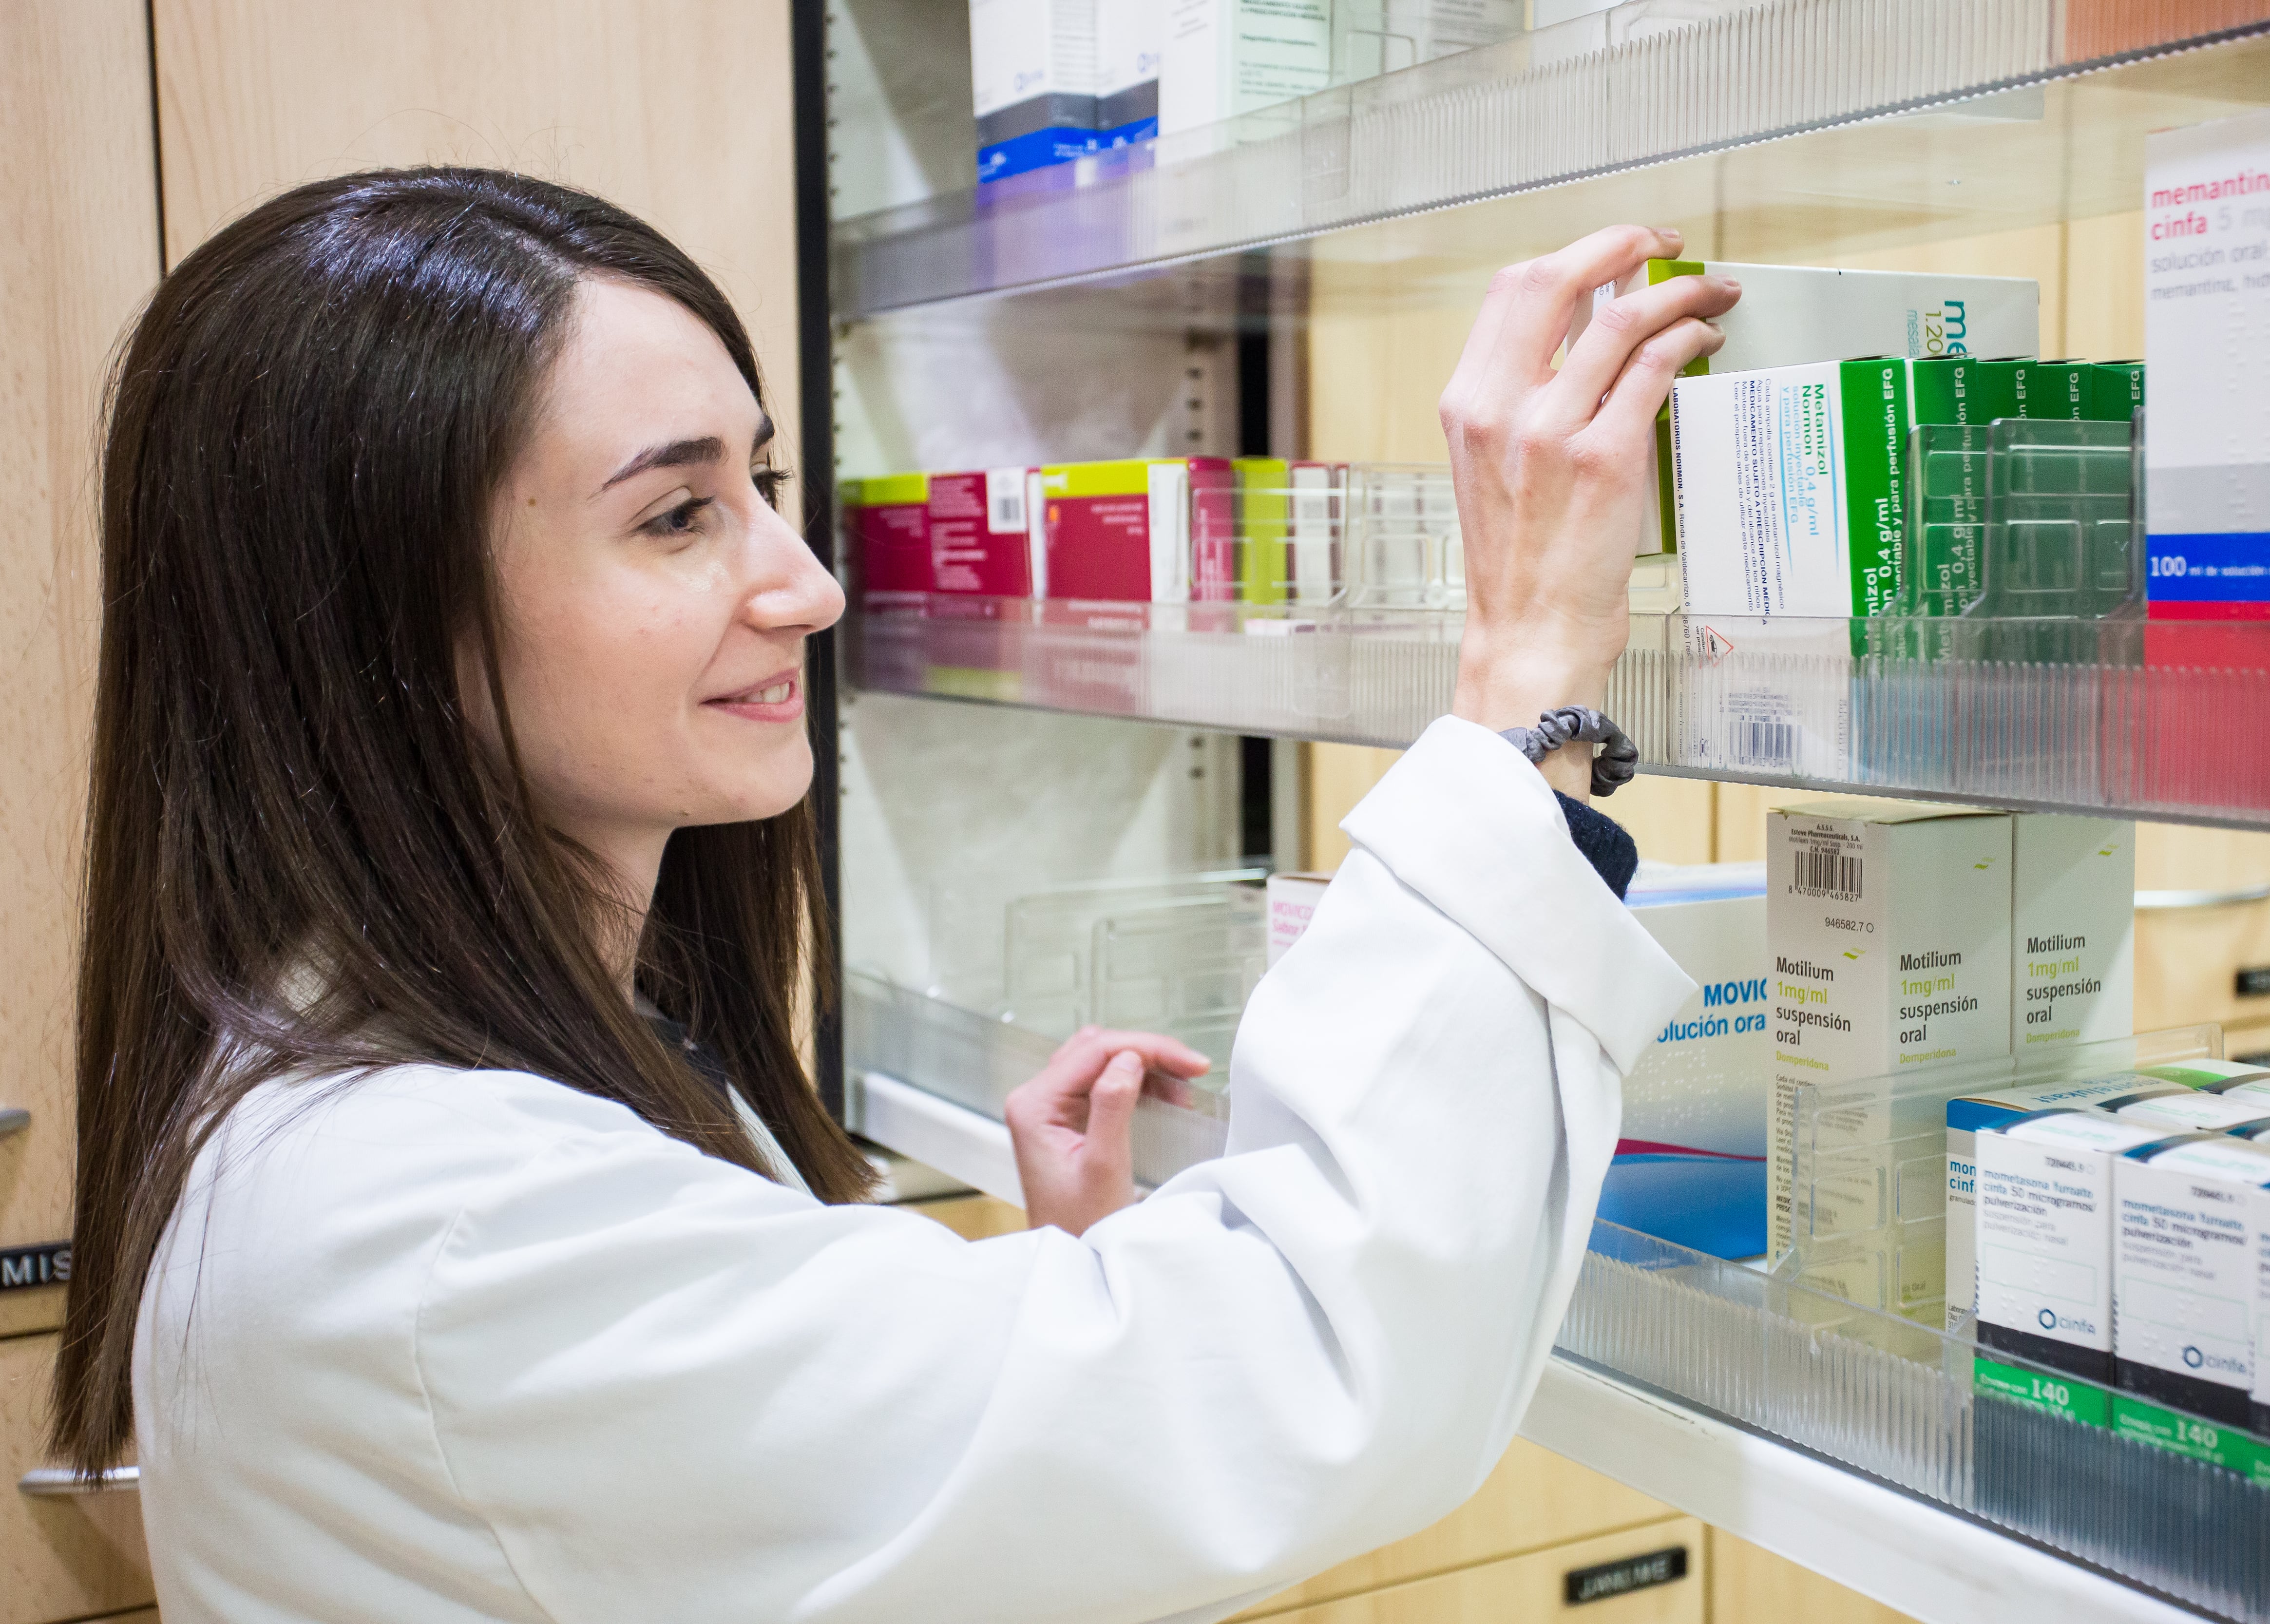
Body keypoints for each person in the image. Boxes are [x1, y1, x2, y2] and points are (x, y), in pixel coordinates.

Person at [55, 168, 1737, 1622]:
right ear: (376, 625)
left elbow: (805, 1530)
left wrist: (1062, 1309)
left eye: (763, 487)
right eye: (676, 515)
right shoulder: (432, 1220)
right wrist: (1528, 671)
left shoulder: (504, 1079)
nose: (803, 582)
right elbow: (1319, 1372)